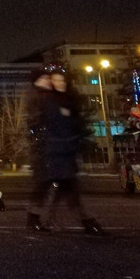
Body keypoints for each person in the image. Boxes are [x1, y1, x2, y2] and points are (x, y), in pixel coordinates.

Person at [26, 66, 105, 235]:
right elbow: (47, 126)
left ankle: (38, 219)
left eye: (59, 80)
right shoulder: (45, 100)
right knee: (64, 188)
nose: (53, 82)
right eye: (51, 80)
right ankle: (86, 221)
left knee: (64, 189)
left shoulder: (59, 100)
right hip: (54, 152)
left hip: (61, 151)